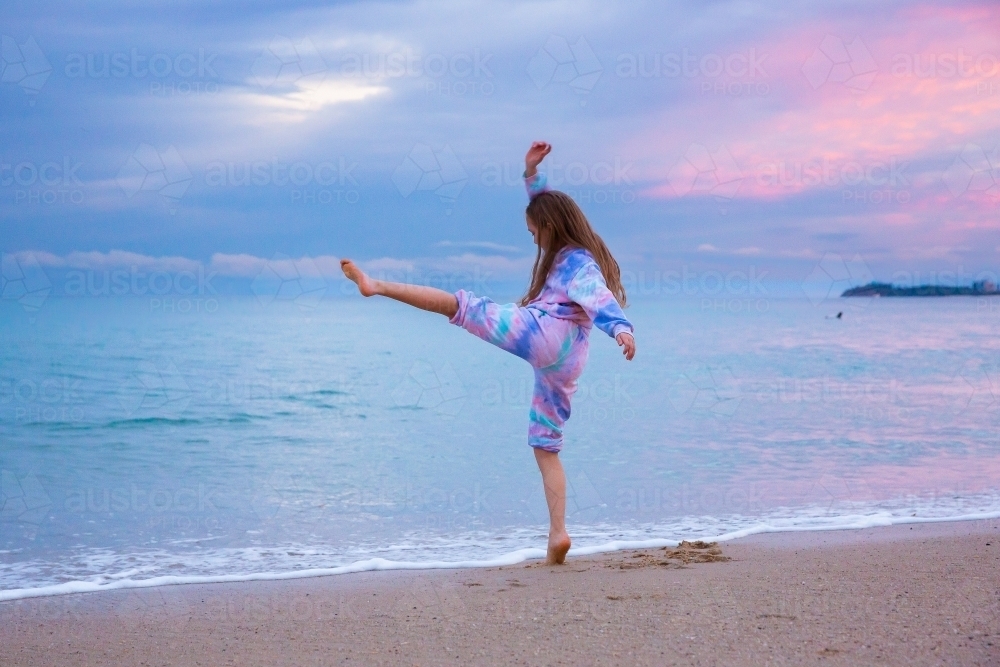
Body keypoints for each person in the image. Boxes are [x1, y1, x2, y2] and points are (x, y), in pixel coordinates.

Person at [340, 141, 635, 564]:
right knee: (546, 444)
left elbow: (597, 294)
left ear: (550, 228)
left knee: (464, 307)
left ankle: (377, 287)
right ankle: (558, 534)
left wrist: (621, 328)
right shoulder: (570, 246)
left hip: (544, 333)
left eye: (535, 233)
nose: (533, 239)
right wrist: (532, 174)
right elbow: (550, 212)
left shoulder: (574, 261)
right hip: (571, 356)